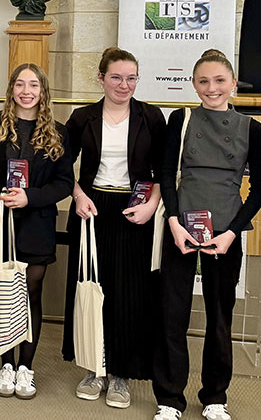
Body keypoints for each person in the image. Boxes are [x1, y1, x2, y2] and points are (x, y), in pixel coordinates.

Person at [152, 49, 261, 420]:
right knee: (172, 313)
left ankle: (215, 397)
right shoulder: (181, 118)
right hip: (180, 226)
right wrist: (173, 221)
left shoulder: (251, 128)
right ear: (193, 84)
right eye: (203, 81)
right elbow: (166, 174)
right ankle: (169, 398)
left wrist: (232, 232)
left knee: (220, 315)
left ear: (233, 83)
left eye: (219, 80)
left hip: (225, 232)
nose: (211, 88)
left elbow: (259, 190)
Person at [60, 47, 165, 409]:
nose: (124, 85)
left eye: (131, 78)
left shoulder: (151, 117)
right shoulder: (82, 117)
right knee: (93, 290)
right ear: (101, 78)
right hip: (92, 209)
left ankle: (121, 373)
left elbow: (164, 170)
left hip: (136, 210)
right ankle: (94, 368)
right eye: (117, 77)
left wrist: (152, 205)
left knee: (129, 295)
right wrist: (77, 195)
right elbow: (63, 166)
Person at [0, 62, 74, 401]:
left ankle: (26, 367)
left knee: (31, 292)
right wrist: (2, 193)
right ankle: (6, 363)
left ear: (43, 91)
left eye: (33, 85)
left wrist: (29, 197)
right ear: (11, 89)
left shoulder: (58, 132)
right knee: (5, 292)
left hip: (37, 222)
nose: (26, 91)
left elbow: (64, 183)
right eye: (20, 84)